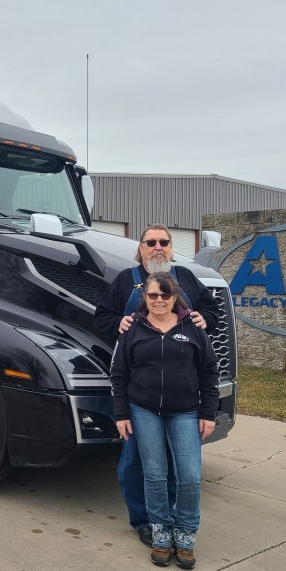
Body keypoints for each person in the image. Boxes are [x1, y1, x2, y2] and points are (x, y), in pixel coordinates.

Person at [94, 224, 220, 548]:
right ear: (140, 249)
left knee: (179, 466)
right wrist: (116, 323)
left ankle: (172, 520)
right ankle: (144, 521)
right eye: (151, 242)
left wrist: (206, 318)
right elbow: (102, 317)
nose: (158, 247)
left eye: (164, 242)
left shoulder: (187, 278)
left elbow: (211, 310)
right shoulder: (125, 279)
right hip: (141, 395)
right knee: (135, 464)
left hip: (183, 398)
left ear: (171, 248)